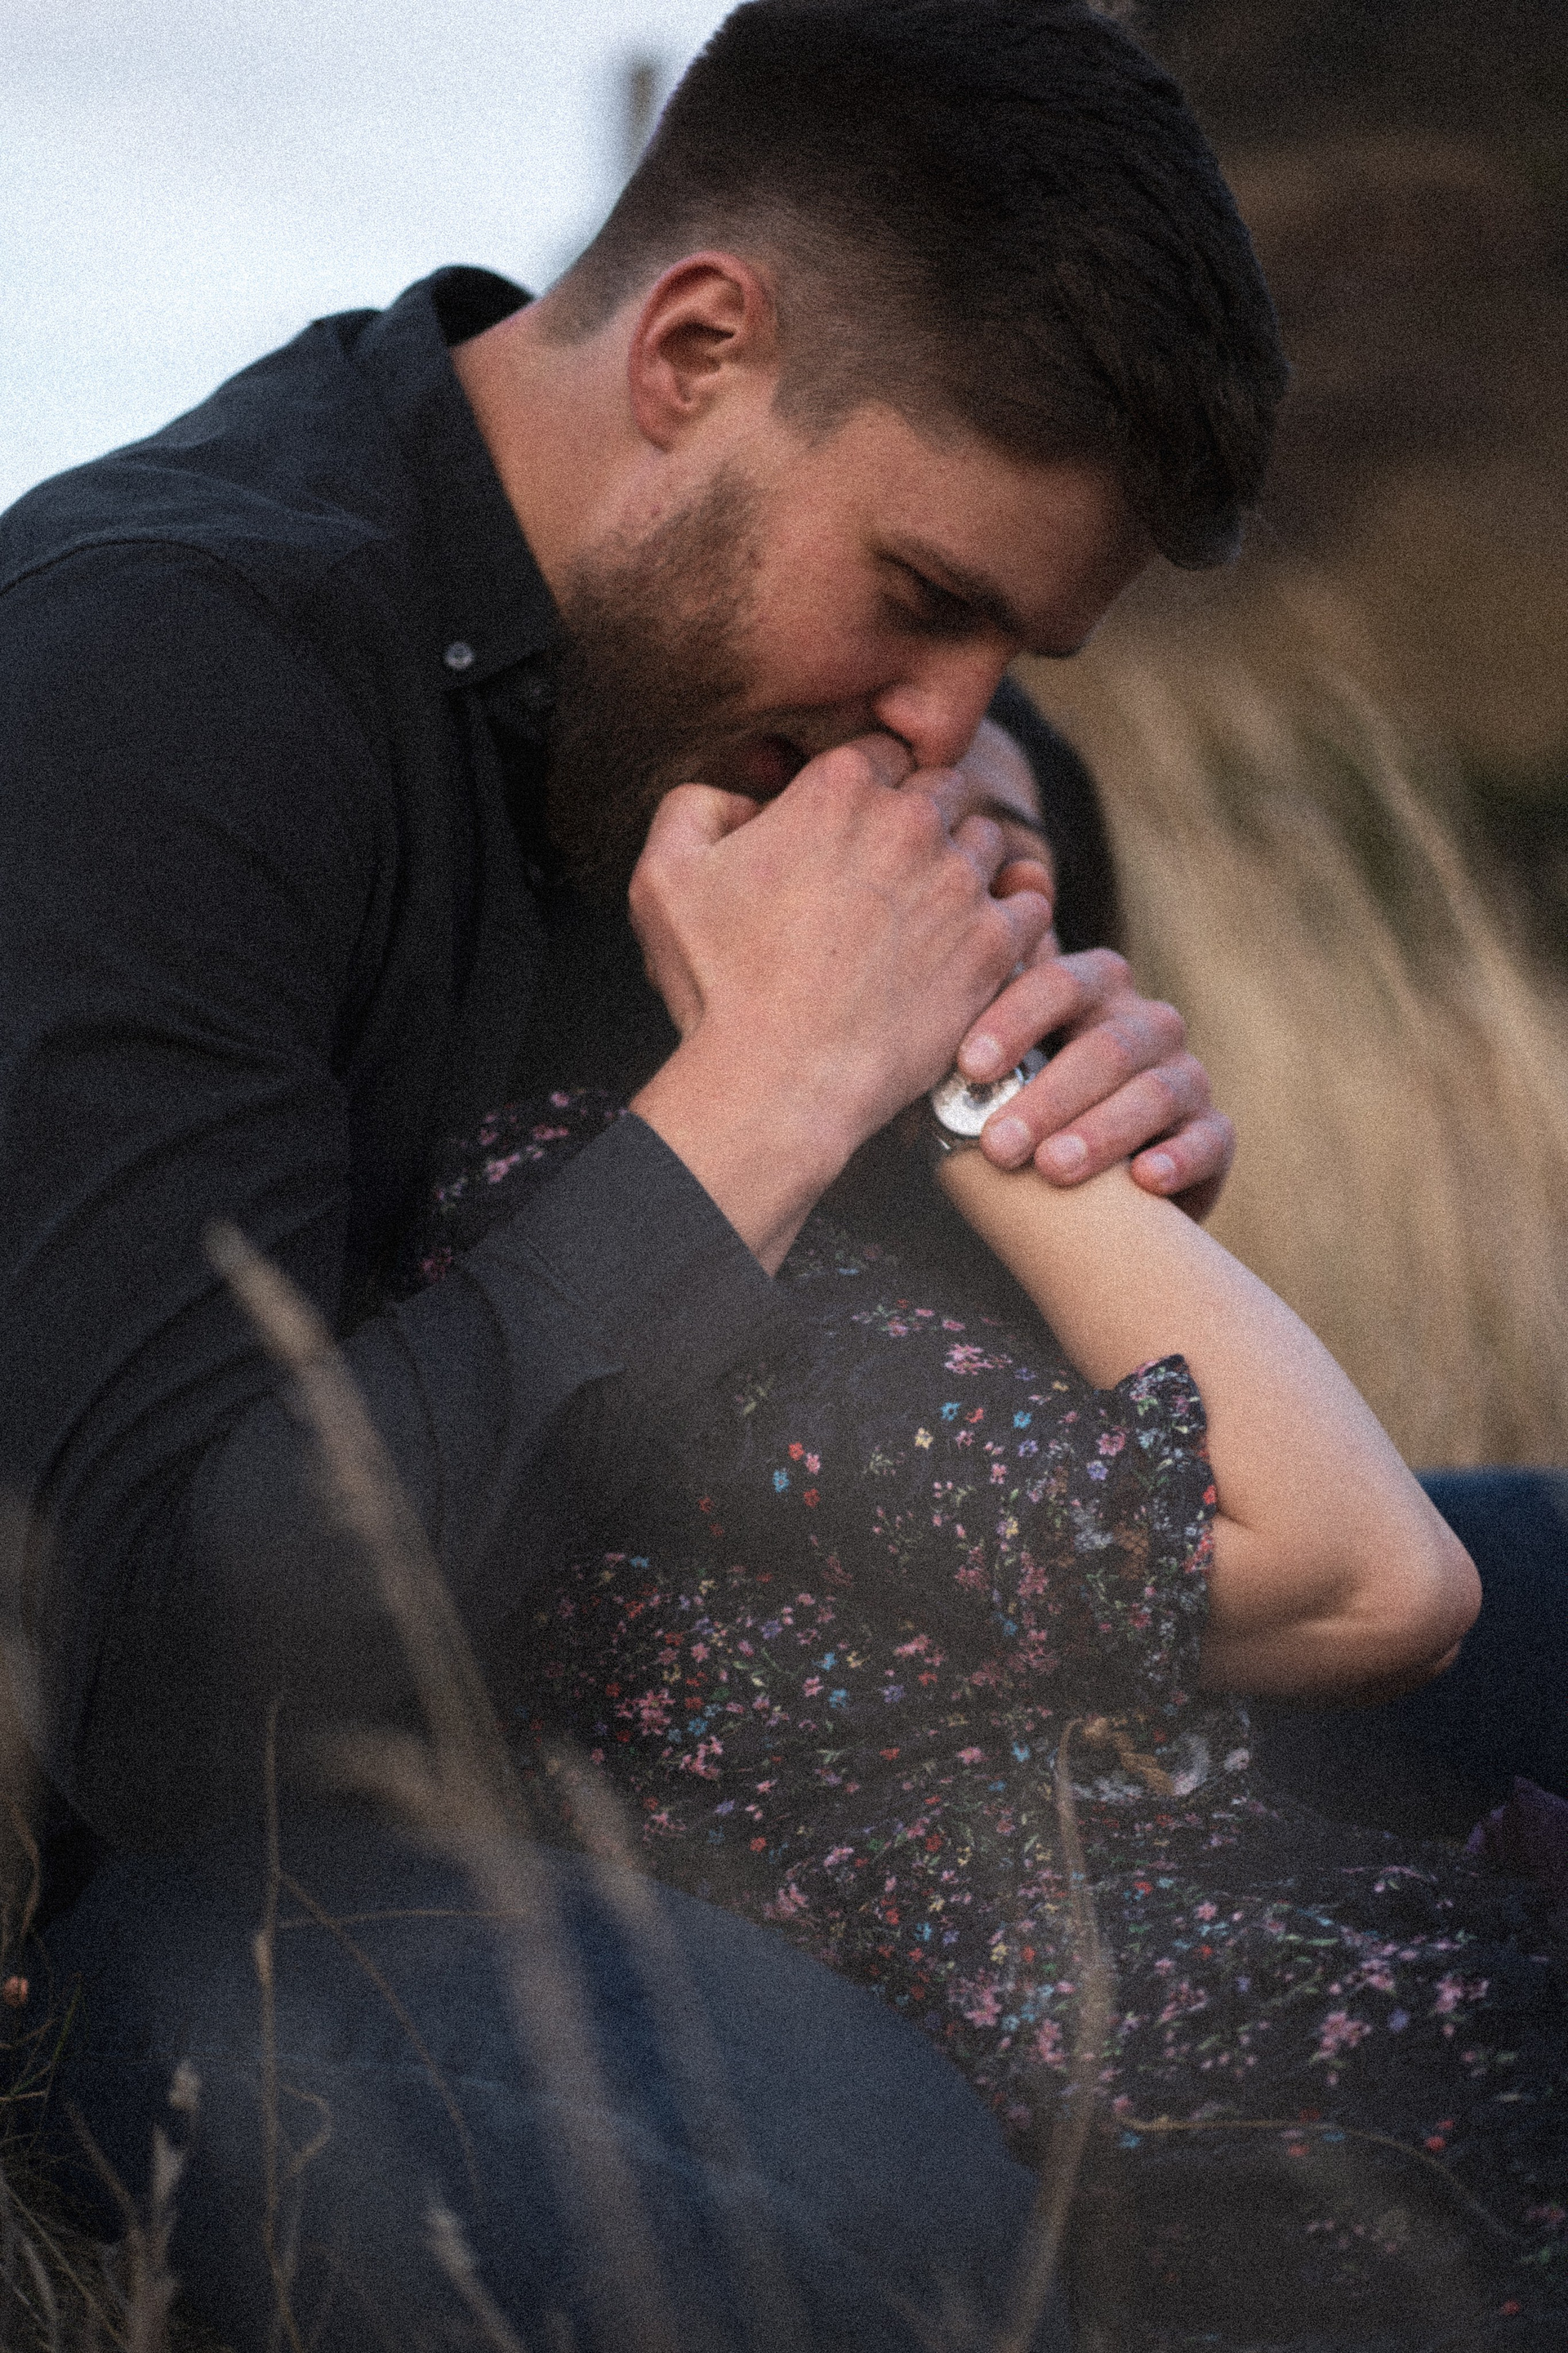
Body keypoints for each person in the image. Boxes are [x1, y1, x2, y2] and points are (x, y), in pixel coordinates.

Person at [0, 1, 1545, 2345]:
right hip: (307, 1865)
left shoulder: (901, 737)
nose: (958, 723)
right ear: (696, 350)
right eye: (928, 596)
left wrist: (1049, 1141)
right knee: (848, 2212)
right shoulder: (155, 678)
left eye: (1021, 646)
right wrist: (779, 1091)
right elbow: (172, 1679)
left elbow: (941, 1443)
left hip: (882, 1769)